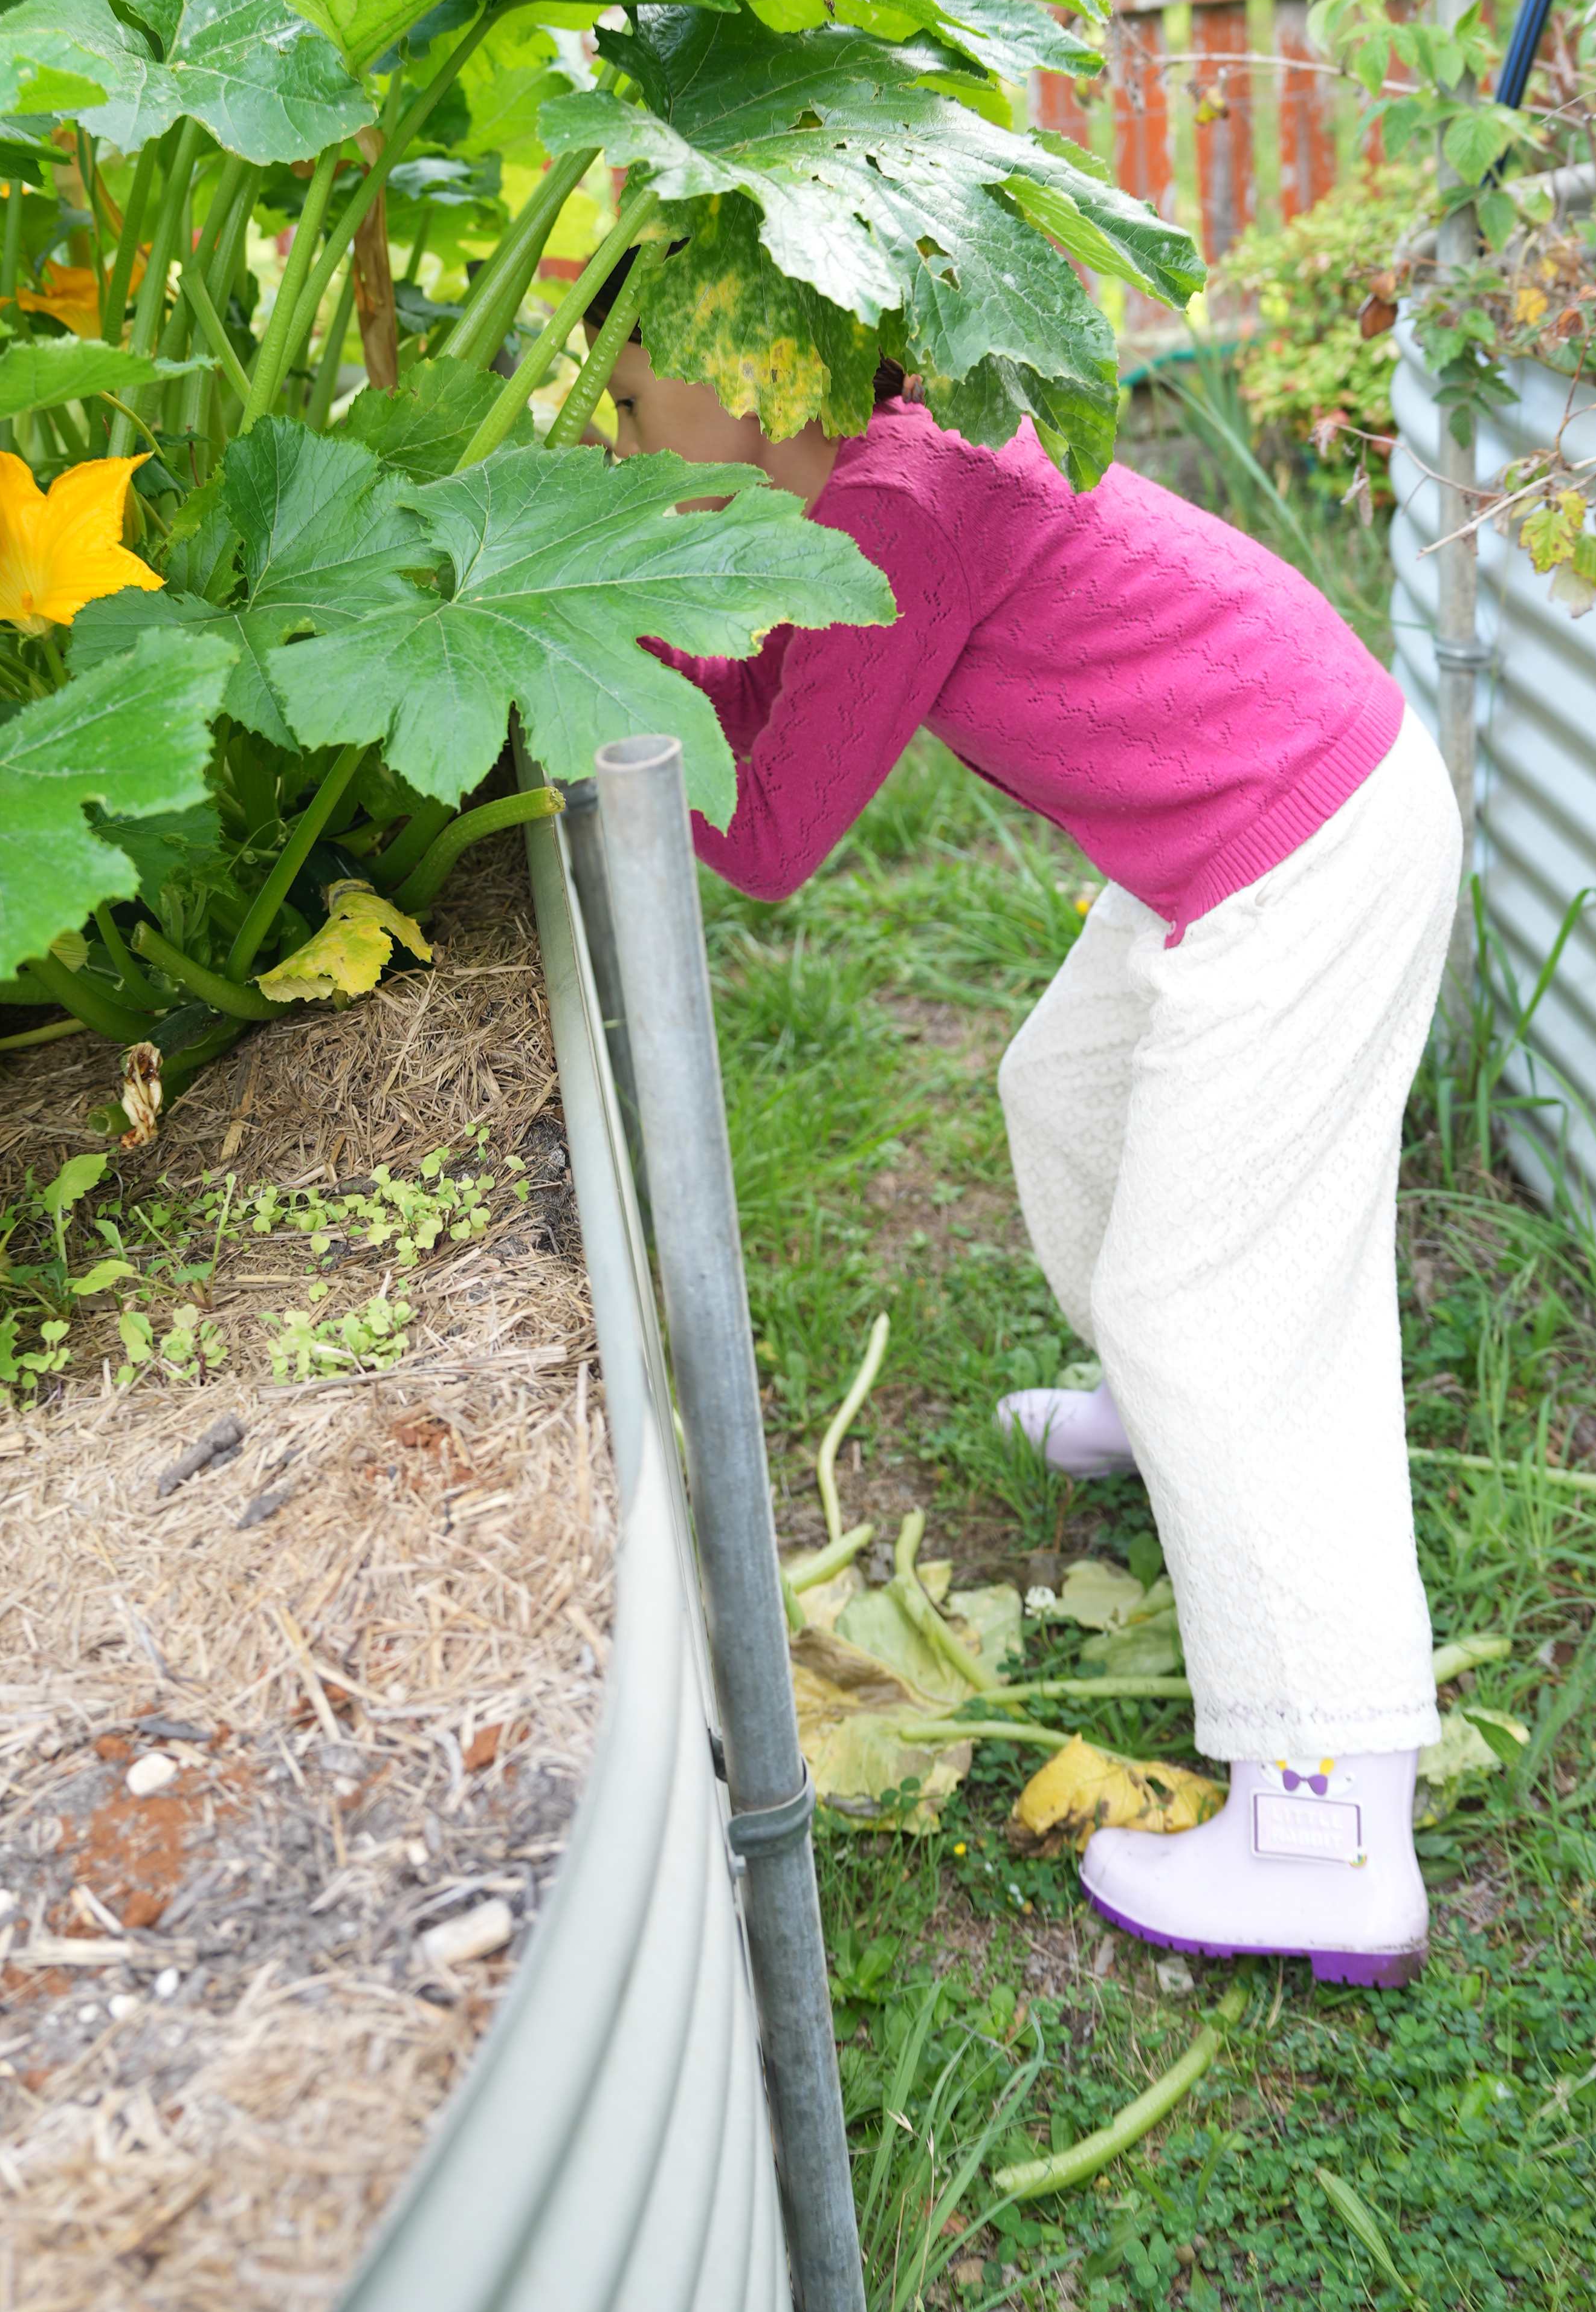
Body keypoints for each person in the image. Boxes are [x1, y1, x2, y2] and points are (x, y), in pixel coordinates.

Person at [599, 300, 1461, 1989]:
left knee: (1219, 1310)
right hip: (1234, 827)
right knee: (1066, 1092)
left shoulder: (901, 506)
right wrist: (597, 631)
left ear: (731, 356)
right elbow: (769, 690)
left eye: (629, 403)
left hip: (1305, 849)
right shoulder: (869, 476)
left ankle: (1332, 1821)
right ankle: (1177, 1427)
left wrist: (576, 661)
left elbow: (770, 830)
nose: (615, 445)